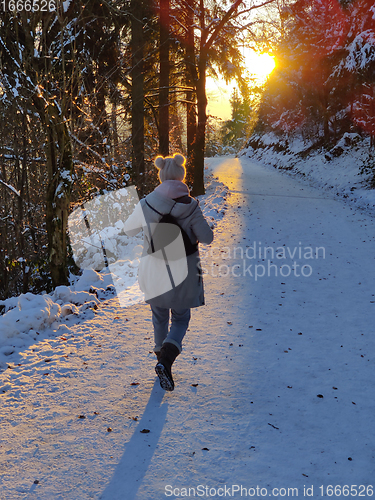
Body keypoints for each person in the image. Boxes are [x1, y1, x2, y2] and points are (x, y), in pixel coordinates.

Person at [124, 153, 214, 391]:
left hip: (153, 270)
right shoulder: (191, 206)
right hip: (183, 272)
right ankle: (166, 360)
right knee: (181, 318)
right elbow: (207, 238)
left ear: (161, 174)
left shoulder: (145, 203)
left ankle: (161, 361)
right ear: (182, 175)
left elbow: (129, 230)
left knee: (159, 315)